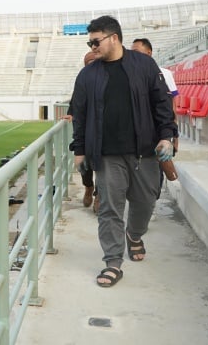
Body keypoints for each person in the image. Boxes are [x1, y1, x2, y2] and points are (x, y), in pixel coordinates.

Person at [70, 15, 177, 288]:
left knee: (146, 201)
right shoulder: (87, 75)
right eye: (89, 42)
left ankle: (135, 234)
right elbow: (79, 115)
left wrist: (167, 136)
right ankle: (113, 262)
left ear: (113, 38)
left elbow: (161, 103)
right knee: (109, 209)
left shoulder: (144, 64)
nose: (92, 47)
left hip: (145, 152)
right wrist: (79, 150)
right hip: (107, 154)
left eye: (96, 41)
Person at [131, 38, 181, 200]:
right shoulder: (131, 73)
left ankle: (153, 200)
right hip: (139, 130)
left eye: (136, 51)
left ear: (149, 53)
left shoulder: (165, 73)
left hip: (158, 129)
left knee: (157, 167)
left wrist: (174, 134)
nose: (133, 55)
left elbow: (171, 104)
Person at [65, 51, 98, 211]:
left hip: (103, 129)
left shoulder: (107, 78)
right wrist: (71, 114)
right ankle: (88, 187)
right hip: (85, 130)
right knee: (84, 164)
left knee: (104, 164)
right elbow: (75, 101)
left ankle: (99, 194)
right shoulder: (82, 80)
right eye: (89, 63)